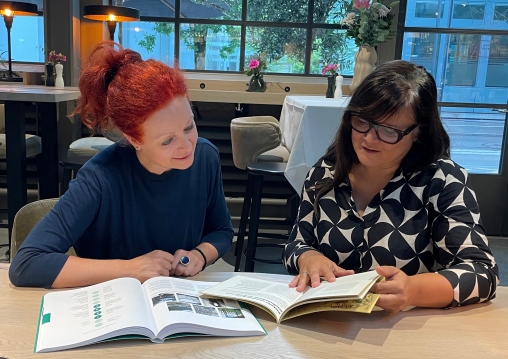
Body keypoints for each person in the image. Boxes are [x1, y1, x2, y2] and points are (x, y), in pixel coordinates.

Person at [9, 42, 233, 288]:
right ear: (134, 138)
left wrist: (199, 255)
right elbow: (26, 263)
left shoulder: (205, 158)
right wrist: (131, 269)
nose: (188, 146)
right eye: (168, 140)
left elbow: (221, 230)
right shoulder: (99, 178)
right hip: (111, 306)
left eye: (189, 127)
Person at [283, 60, 499, 313]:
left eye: (389, 131)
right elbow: (297, 244)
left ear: (418, 132)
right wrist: (309, 258)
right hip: (331, 325)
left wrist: (414, 290)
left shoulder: (443, 180)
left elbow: (482, 273)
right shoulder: (326, 172)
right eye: (362, 121)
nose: (369, 138)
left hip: (407, 331)